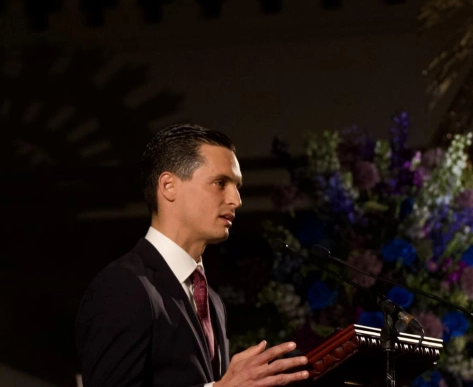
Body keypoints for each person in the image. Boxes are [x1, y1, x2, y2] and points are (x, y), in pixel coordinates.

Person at [76, 124, 310, 386]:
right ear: (168, 186)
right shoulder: (123, 285)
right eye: (220, 183)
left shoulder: (211, 300)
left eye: (237, 186)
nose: (236, 199)